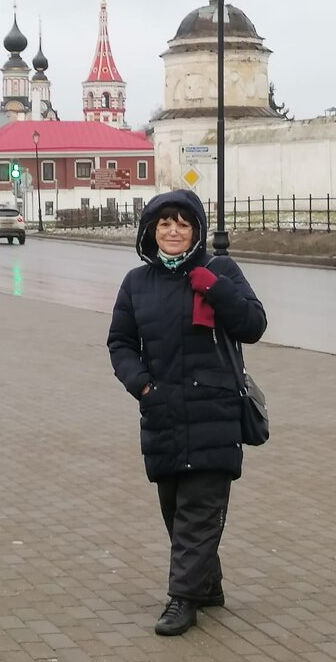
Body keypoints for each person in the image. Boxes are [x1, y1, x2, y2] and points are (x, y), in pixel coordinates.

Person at [107, 190, 266, 637]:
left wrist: (215, 289)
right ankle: (208, 585)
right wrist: (142, 385)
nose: (173, 230)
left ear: (196, 230)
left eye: (183, 223)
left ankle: (183, 600)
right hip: (163, 414)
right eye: (164, 223)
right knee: (176, 512)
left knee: (199, 511)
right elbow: (120, 342)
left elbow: (253, 325)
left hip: (215, 413)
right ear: (151, 231)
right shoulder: (137, 283)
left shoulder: (220, 270)